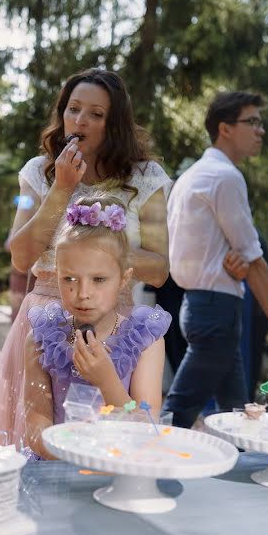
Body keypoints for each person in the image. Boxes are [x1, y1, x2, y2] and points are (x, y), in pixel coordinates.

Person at [0, 68, 171, 445]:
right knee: (38, 429)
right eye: (73, 109)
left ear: (114, 124)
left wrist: (104, 251)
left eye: (96, 114)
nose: (80, 121)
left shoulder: (146, 177)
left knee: (112, 430)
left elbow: (161, 270)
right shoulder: (39, 172)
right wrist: (62, 187)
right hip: (43, 316)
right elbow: (21, 257)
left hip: (114, 321)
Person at [163, 92, 268, 429]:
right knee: (178, 412)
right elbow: (253, 259)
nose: (261, 130)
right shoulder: (224, 177)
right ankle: (145, 467)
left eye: (261, 123)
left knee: (238, 415)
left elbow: (209, 252)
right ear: (225, 128)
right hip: (215, 312)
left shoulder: (192, 176)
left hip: (202, 306)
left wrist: (228, 266)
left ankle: (245, 471)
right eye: (252, 122)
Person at [23, 195, 170, 458]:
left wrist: (107, 381)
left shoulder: (144, 341)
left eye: (99, 279)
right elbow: (36, 427)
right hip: (57, 467)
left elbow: (147, 429)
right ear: (56, 275)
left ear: (123, 279)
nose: (83, 293)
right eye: (69, 278)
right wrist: (73, 460)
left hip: (118, 470)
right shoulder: (41, 339)